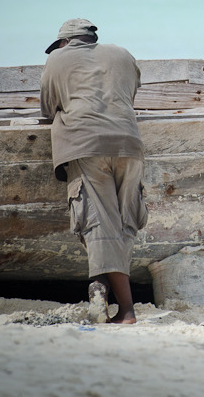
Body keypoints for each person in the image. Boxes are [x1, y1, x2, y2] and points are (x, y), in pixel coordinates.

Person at [40, 18, 147, 324]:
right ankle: (100, 290)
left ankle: (126, 311)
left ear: (64, 43)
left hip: (86, 146)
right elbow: (129, 94)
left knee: (99, 224)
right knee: (125, 222)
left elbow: (48, 107)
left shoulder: (57, 60)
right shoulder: (122, 54)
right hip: (129, 142)